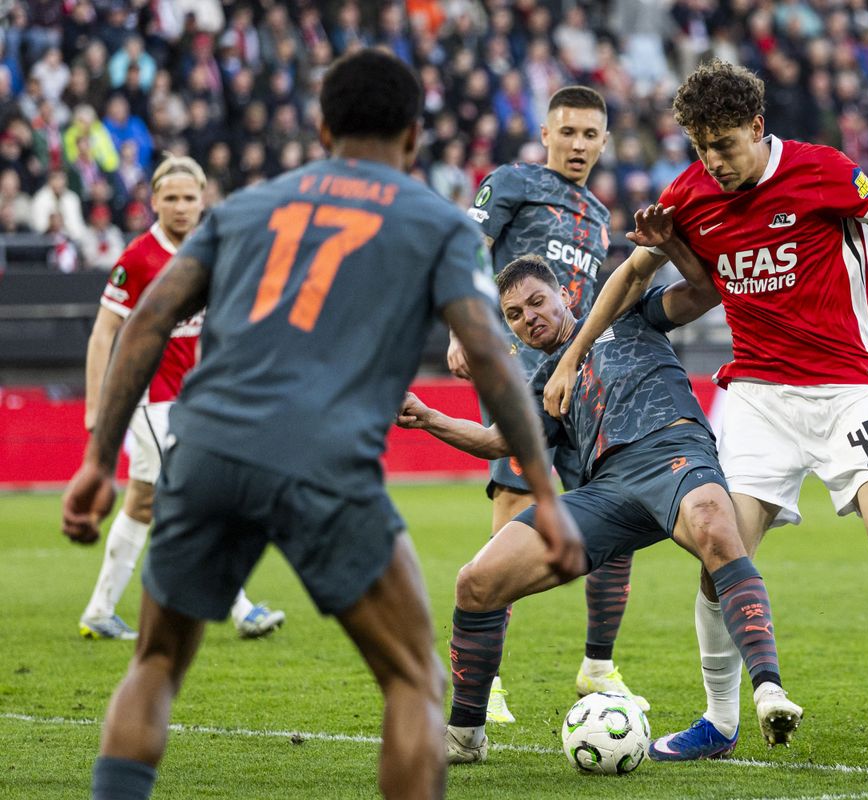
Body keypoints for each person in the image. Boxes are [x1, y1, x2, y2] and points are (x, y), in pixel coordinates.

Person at [61, 50, 582, 800]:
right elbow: (492, 360)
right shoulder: (436, 225)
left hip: (204, 449)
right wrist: (546, 492)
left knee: (155, 664)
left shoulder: (242, 209)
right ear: (413, 137)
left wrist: (94, 459)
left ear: (321, 126)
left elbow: (146, 320)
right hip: (324, 459)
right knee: (413, 677)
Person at [545, 61, 868, 763]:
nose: (714, 161)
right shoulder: (691, 193)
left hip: (845, 390)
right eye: (702, 147)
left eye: (726, 144)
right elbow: (634, 272)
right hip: (758, 398)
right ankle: (720, 720)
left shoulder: (823, 171)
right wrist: (573, 353)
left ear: (758, 129)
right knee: (718, 557)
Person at [397, 253, 802, 764]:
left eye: (536, 301)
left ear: (564, 295)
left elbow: (702, 292)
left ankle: (768, 691)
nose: (530, 317)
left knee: (715, 529)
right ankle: (465, 735)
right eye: (516, 315)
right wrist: (430, 417)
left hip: (672, 454)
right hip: (608, 492)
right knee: (476, 581)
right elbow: (498, 440)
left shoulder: (624, 315)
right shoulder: (545, 383)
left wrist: (666, 246)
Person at [452, 85, 645, 719]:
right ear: (546, 133)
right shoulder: (510, 182)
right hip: (517, 379)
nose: (579, 144)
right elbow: (466, 248)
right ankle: (492, 681)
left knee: (615, 515)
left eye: (591, 134)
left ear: (605, 140)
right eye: (568, 132)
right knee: (512, 510)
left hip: (580, 384)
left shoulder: (596, 214)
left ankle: (597, 666)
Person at [77, 155, 286, 640]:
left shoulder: (209, 252)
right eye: (170, 198)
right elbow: (103, 333)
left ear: (203, 199)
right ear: (153, 202)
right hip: (149, 398)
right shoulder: (137, 259)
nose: (180, 206)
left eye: (189, 197)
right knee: (197, 494)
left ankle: (99, 610)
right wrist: (95, 406)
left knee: (142, 502)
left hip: (192, 398)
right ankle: (240, 607)